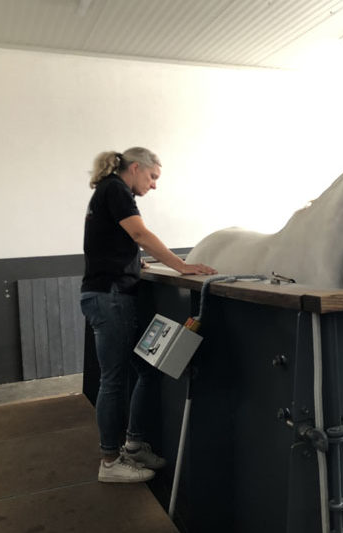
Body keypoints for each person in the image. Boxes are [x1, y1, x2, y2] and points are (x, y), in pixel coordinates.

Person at [80, 147, 216, 483]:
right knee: (113, 379)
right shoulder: (116, 188)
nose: (154, 185)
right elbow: (139, 233)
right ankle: (110, 462)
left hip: (110, 294)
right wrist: (181, 266)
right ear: (137, 167)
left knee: (146, 370)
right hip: (109, 297)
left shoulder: (109, 191)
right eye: (153, 177)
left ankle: (134, 443)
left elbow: (111, 242)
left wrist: (134, 262)